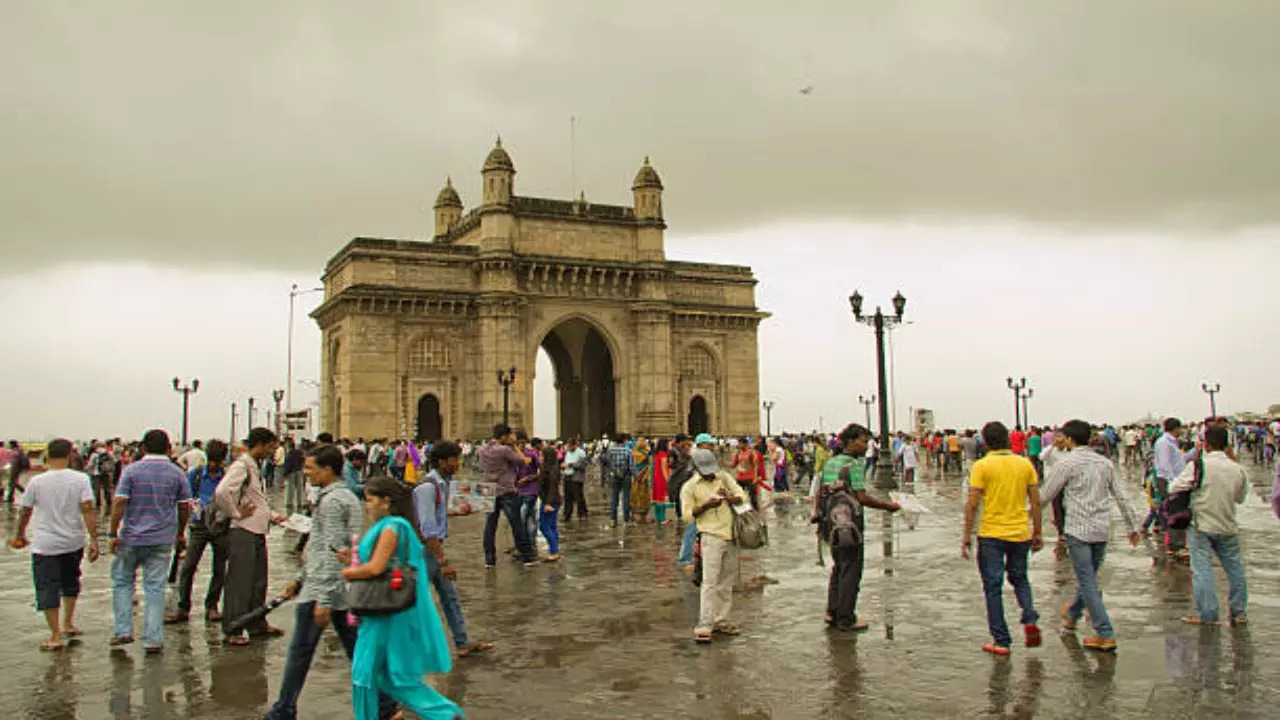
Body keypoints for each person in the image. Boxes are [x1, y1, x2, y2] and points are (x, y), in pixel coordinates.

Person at [267, 444, 393, 720]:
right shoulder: (342, 497)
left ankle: (283, 711)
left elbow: (335, 552)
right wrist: (300, 578)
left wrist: (322, 598)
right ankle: (385, 704)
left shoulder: (334, 501)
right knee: (357, 651)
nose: (305, 472)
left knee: (300, 653)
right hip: (336, 590)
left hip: (324, 592)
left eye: (310, 468)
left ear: (327, 470)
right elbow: (322, 545)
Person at [342, 477, 462, 720]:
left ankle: (444, 713)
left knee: (367, 672)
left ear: (386, 501)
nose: (367, 505)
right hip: (386, 609)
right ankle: (443, 713)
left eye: (370, 500)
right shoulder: (394, 526)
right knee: (384, 673)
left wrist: (348, 572)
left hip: (384, 613)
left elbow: (376, 568)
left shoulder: (391, 528)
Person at [1038, 420, 1142, 652]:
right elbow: (1121, 496)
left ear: (1070, 439)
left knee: (1088, 581)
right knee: (1089, 579)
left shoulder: (1067, 464)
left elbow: (1045, 495)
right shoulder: (1105, 463)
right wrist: (1133, 526)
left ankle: (1105, 632)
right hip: (1101, 529)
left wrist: (1023, 515)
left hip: (1078, 529)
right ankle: (1073, 613)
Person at [961, 421, 1043, 656]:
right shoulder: (1024, 464)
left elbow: (973, 503)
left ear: (984, 442)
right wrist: (1037, 531)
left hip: (991, 533)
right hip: (1019, 532)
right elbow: (1035, 502)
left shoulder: (982, 466)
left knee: (992, 587)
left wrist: (967, 535)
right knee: (1020, 578)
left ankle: (1001, 640)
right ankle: (1029, 616)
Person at [10, 438, 99, 651]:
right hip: (73, 540)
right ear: (70, 456)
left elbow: (25, 511)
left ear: (47, 456)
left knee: (47, 587)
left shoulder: (36, 482)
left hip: (45, 544)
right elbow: (87, 509)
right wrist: (94, 538)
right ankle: (67, 622)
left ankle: (55, 634)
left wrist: (19, 534)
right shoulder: (81, 479)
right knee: (70, 582)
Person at [812, 424, 901, 632]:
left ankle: (832, 611)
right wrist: (889, 506)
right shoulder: (853, 465)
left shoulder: (831, 463)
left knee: (839, 566)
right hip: (850, 524)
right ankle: (846, 618)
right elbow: (861, 497)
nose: (865, 445)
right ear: (850, 441)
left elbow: (819, 492)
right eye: (862, 440)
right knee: (851, 569)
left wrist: (818, 514)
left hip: (831, 523)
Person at [109, 429, 191, 653]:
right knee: (155, 588)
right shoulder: (177, 474)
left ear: (143, 448)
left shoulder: (131, 471)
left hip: (131, 537)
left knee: (123, 582)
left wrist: (112, 532)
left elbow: (119, 503)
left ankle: (123, 630)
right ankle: (153, 638)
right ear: (169, 448)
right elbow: (185, 506)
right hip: (162, 538)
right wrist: (180, 533)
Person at [413, 441, 493, 659]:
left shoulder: (441, 485)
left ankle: (462, 642)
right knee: (415, 601)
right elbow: (428, 528)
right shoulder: (428, 487)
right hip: (425, 553)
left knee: (450, 597)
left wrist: (458, 512)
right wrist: (442, 561)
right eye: (454, 459)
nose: (458, 464)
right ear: (442, 461)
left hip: (434, 551)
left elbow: (435, 517)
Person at [1174, 426, 1251, 627]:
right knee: (1235, 569)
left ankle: (1208, 614)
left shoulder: (1198, 465)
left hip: (1201, 524)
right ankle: (1239, 612)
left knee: (1202, 570)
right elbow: (1240, 498)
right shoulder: (1238, 469)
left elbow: (1175, 486)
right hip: (1227, 524)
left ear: (1205, 444)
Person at [215, 427, 285, 645]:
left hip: (257, 529)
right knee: (240, 582)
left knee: (258, 581)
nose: (273, 452)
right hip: (243, 530)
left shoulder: (255, 467)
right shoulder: (241, 466)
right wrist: (235, 512)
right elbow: (222, 492)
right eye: (271, 447)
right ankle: (233, 628)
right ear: (261, 445)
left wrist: (272, 516)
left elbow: (256, 499)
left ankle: (256, 623)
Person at [680, 448, 747, 644]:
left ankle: (722, 620)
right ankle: (704, 625)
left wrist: (728, 497)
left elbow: (743, 496)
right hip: (710, 536)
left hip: (731, 534)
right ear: (697, 469)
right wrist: (707, 505)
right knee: (709, 582)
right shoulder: (689, 487)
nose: (710, 473)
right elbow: (687, 516)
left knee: (726, 581)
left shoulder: (723, 478)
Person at [167, 439, 230, 624]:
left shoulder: (226, 477)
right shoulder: (195, 475)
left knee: (219, 568)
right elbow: (185, 500)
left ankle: (212, 606)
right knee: (188, 567)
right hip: (199, 525)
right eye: (211, 461)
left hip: (220, 526)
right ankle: (183, 606)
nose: (213, 465)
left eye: (217, 462)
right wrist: (181, 529)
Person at [480, 424, 536, 567]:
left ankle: (489, 560)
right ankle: (527, 557)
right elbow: (525, 461)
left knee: (489, 526)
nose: (513, 437)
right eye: (511, 435)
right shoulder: (504, 450)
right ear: (504, 436)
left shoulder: (483, 449)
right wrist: (515, 446)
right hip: (505, 489)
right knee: (516, 524)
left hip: (487, 488)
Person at [1153, 417, 1195, 558]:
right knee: (1175, 512)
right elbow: (1165, 465)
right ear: (1175, 428)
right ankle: (1175, 546)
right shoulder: (1164, 443)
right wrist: (1173, 483)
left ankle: (1176, 544)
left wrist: (1195, 451)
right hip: (1168, 480)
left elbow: (1179, 461)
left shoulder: (1172, 443)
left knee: (1175, 511)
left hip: (1174, 479)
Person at [604, 433, 636, 526]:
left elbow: (607, 461)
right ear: (624, 440)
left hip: (614, 475)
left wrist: (610, 472)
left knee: (614, 498)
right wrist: (636, 476)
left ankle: (613, 520)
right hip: (626, 475)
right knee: (626, 498)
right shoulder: (628, 451)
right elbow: (632, 466)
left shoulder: (610, 450)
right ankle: (626, 520)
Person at [537, 440, 562, 561]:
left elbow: (552, 488)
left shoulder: (550, 471)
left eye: (541, 455)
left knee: (543, 526)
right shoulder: (550, 468)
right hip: (552, 500)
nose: (539, 457)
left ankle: (554, 551)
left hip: (550, 501)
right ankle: (555, 550)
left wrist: (547, 503)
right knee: (552, 526)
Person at [560, 438, 589, 521]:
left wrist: (570, 465)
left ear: (575, 445)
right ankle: (567, 514)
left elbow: (583, 464)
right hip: (567, 476)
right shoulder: (568, 453)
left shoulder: (581, 453)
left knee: (578, 496)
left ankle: (582, 513)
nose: (568, 448)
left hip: (576, 477)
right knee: (568, 497)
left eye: (570, 446)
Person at [651, 439, 673, 524]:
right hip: (662, 479)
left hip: (656, 478)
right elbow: (664, 468)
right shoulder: (664, 455)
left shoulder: (657, 454)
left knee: (657, 499)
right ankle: (662, 518)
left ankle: (659, 518)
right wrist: (667, 479)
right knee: (662, 499)